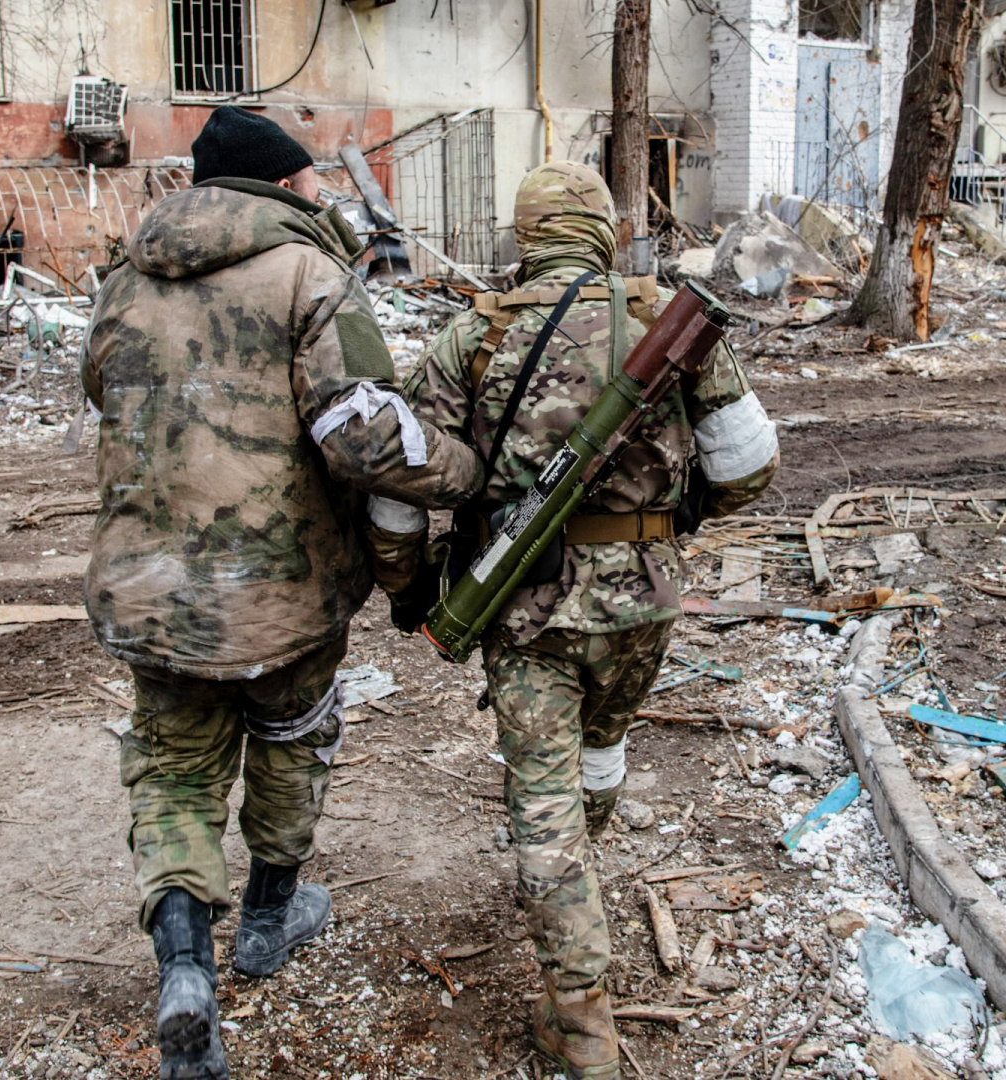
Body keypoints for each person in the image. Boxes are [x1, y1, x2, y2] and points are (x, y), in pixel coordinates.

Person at [81, 105, 483, 1080]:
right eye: (312, 178)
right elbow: (364, 437)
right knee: (295, 742)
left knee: (173, 771)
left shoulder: (124, 279)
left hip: (152, 594)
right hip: (286, 596)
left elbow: (105, 390)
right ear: (288, 185)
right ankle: (267, 919)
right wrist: (466, 474)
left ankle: (185, 967)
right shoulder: (312, 274)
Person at [373, 162, 778, 1080]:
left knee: (543, 802)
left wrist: (407, 592)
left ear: (525, 237)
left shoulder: (471, 337)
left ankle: (583, 1021)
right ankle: (575, 886)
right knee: (602, 749)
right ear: (601, 228)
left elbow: (396, 492)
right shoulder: (672, 322)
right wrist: (668, 526)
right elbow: (751, 465)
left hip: (521, 604)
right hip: (646, 598)